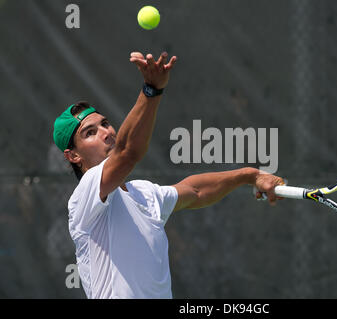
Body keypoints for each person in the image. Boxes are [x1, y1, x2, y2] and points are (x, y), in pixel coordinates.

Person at [53, 51, 284, 299]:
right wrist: (151, 90)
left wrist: (249, 175)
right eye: (89, 133)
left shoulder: (143, 192)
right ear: (73, 156)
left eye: (105, 124)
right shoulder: (84, 197)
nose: (106, 132)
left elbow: (196, 192)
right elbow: (128, 152)